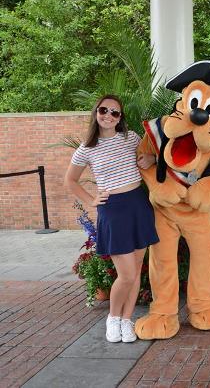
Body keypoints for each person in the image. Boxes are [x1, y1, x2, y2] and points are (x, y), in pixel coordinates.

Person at [64, 95, 158, 343]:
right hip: (113, 211)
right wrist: (90, 200)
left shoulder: (131, 138)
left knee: (135, 271)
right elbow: (70, 181)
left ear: (120, 117)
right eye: (104, 110)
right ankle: (113, 318)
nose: (109, 116)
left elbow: (149, 157)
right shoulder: (86, 148)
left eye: (115, 112)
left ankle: (127, 320)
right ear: (96, 112)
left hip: (138, 205)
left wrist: (152, 159)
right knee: (126, 274)